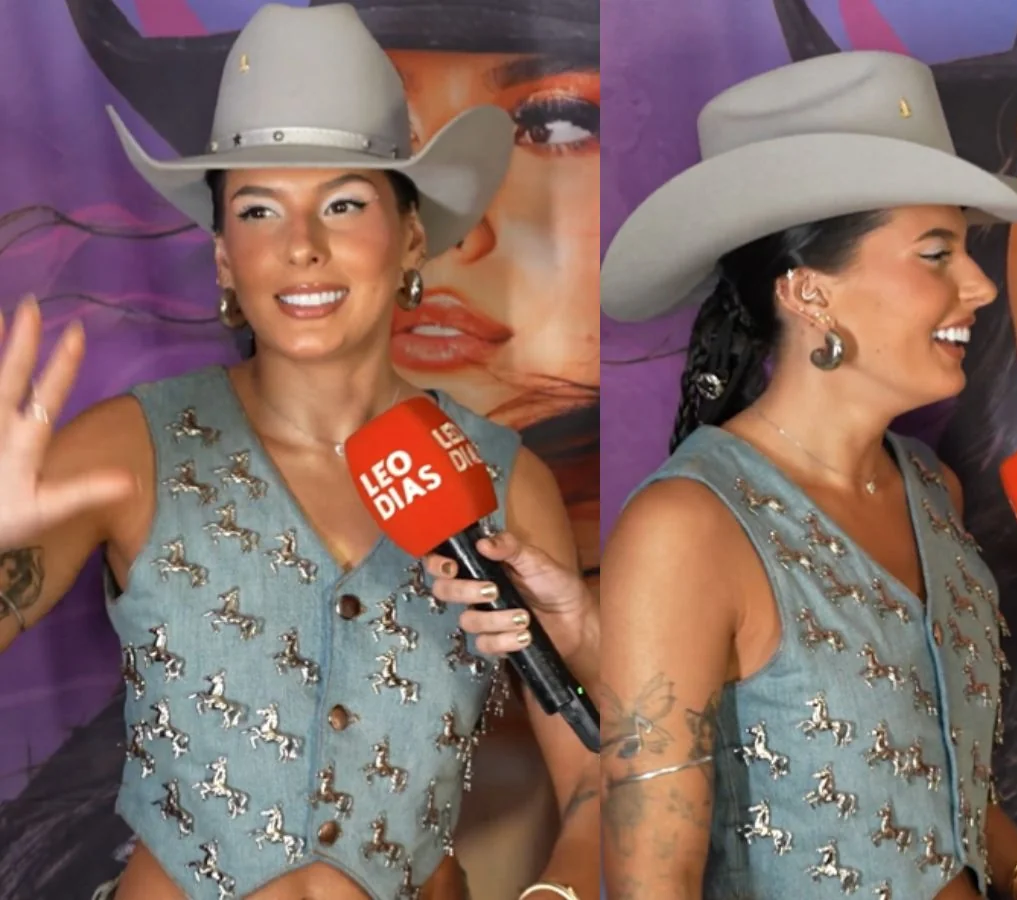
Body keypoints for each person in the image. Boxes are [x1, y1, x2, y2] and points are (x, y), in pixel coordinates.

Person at [0, 5, 596, 900]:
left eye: (344, 203)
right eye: (258, 210)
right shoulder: (131, 446)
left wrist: (558, 893)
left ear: (411, 236)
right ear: (224, 259)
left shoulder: (505, 481)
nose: (302, 247)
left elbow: (602, 770)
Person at [597, 50, 1017, 899]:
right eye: (936, 253)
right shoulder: (688, 527)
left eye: (968, 249)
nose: (980, 285)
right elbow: (655, 880)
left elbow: (931, 775)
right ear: (808, 292)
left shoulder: (931, 489)